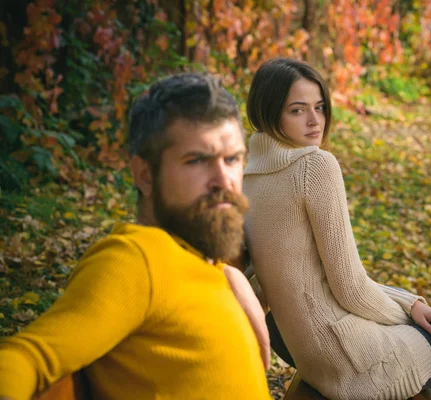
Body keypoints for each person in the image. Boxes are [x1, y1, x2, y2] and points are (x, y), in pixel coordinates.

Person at [242, 58, 431, 400]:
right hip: (354, 357)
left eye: (319, 107)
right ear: (269, 112)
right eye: (298, 110)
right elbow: (349, 287)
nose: (315, 120)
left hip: (315, 355)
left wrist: (410, 303)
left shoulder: (249, 178)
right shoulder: (314, 167)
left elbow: (321, 281)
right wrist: (410, 317)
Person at [0, 73, 271, 400]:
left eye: (232, 159)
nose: (223, 180)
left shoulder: (200, 264)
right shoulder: (138, 258)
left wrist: (228, 275)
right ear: (145, 174)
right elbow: (23, 358)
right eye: (197, 160)